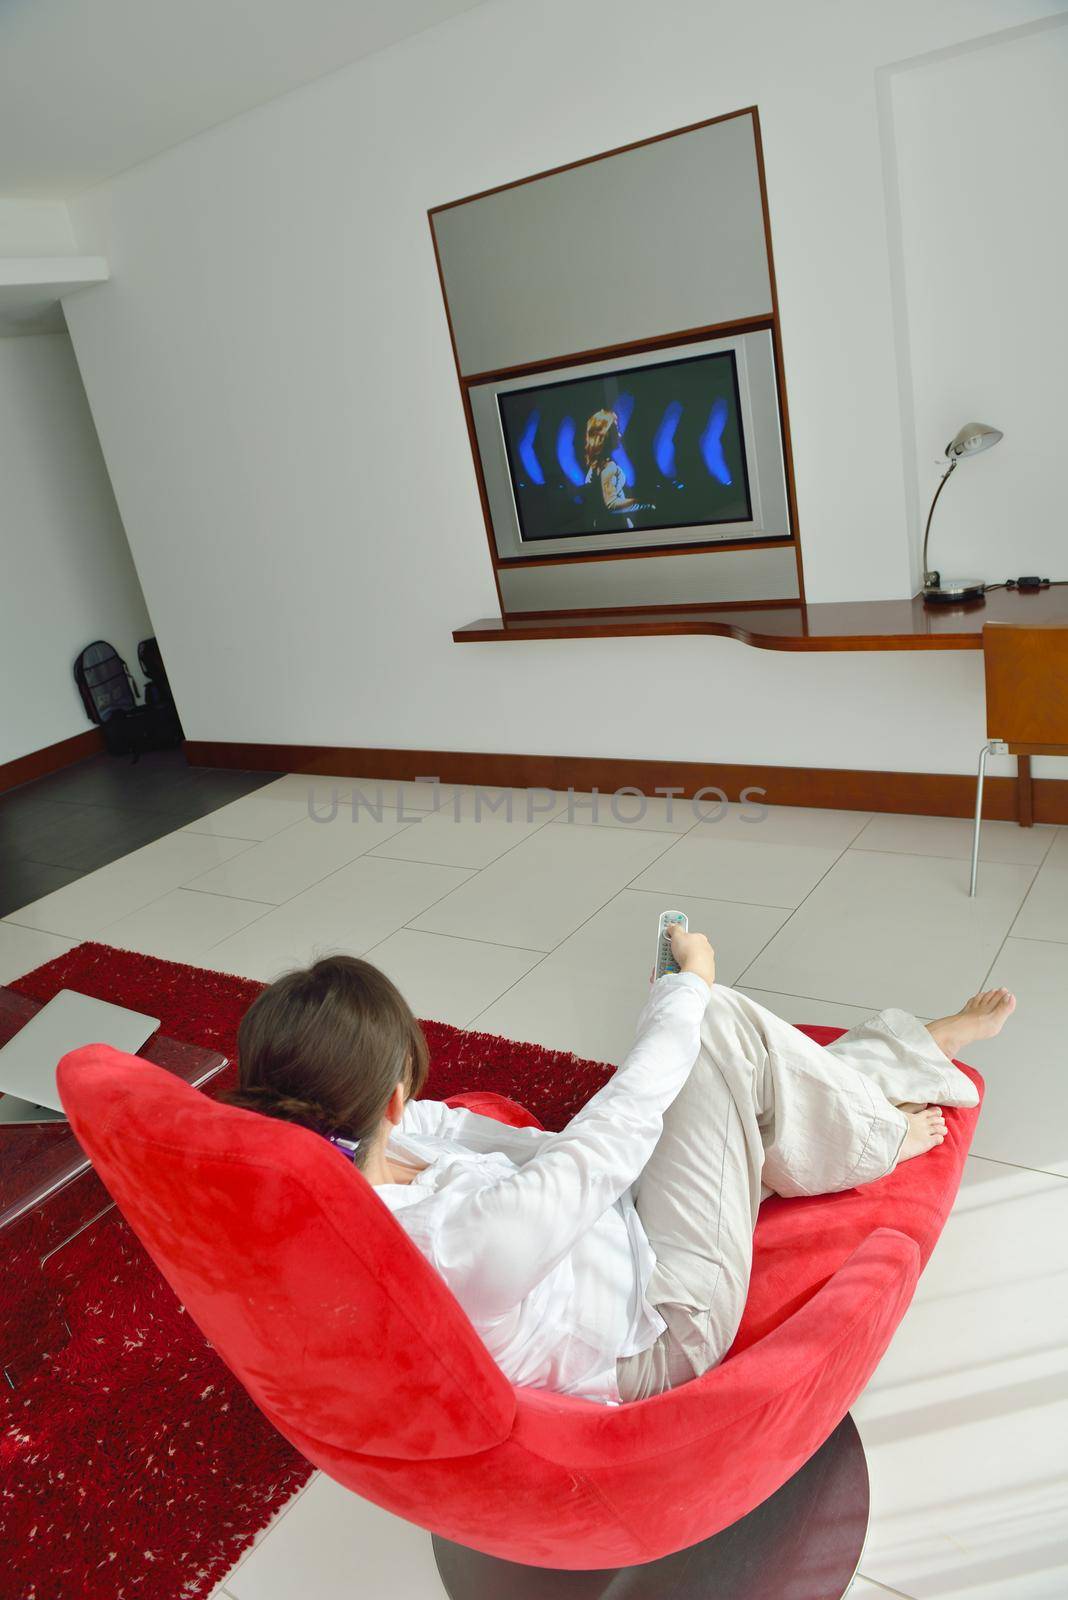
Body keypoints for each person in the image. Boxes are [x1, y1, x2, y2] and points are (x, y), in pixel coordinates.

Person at [223, 937, 1013, 1406]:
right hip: (664, 1319)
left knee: (718, 1068)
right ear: (392, 1096)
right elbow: (607, 1141)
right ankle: (880, 1128)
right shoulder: (454, 1243)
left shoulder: (333, 1167)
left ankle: (885, 1072)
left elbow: (484, 1135)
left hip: (610, 1230)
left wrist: (607, 1157)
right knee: (713, 1023)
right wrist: (684, 989)